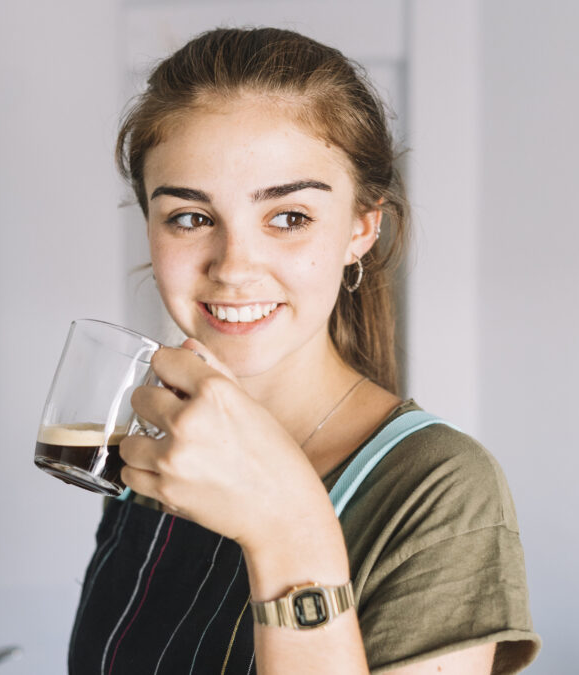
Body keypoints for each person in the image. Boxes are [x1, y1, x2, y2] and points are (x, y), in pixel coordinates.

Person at [68, 27, 540, 674]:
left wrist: (289, 535)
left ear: (361, 228)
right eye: (190, 217)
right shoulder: (158, 443)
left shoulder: (439, 489)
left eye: (289, 217)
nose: (234, 267)